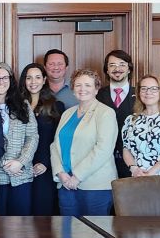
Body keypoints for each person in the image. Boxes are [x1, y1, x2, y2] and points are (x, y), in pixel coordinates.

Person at [50, 69, 118, 216]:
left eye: (88, 85)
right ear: (73, 89)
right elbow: (55, 145)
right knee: (67, 229)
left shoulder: (105, 113)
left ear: (96, 89)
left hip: (95, 186)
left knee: (94, 229)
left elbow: (104, 149)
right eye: (78, 85)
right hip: (65, 183)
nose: (82, 89)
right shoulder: (67, 113)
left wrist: (77, 176)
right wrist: (60, 172)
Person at [0, 62, 38, 216]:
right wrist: (5, 163)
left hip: (21, 174)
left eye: (5, 77)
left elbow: (32, 136)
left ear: (11, 80)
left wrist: (20, 162)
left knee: (20, 224)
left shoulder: (23, 105)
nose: (1, 81)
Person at [19, 63, 65, 215]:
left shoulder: (56, 106)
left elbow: (58, 140)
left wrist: (45, 163)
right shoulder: (16, 106)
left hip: (44, 167)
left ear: (44, 80)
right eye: (29, 78)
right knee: (21, 213)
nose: (33, 82)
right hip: (20, 166)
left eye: (38, 77)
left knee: (42, 214)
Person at [97, 50, 137, 179]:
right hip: (103, 162)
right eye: (112, 65)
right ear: (107, 70)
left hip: (134, 163)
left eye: (122, 64)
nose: (117, 69)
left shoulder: (141, 95)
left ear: (129, 69)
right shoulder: (96, 95)